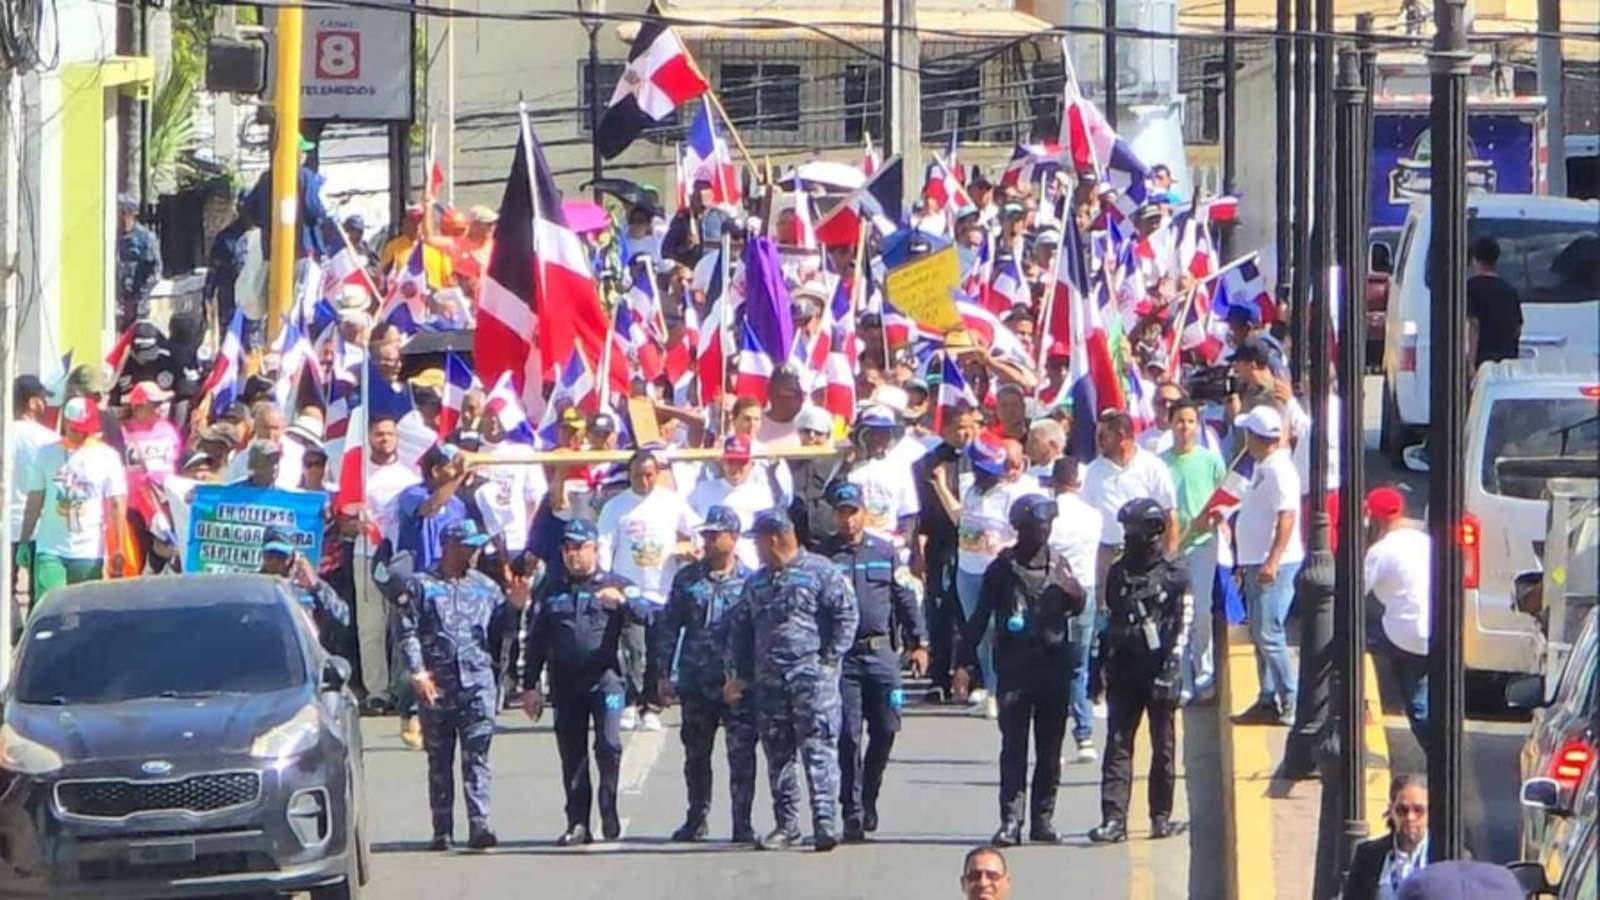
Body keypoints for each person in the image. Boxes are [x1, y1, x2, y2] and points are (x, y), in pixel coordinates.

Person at [953, 494, 1087, 846]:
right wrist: (962, 662)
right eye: (1036, 526)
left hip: (1053, 667)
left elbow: (1079, 605)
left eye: (1046, 526)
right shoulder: (1002, 568)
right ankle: (1011, 821)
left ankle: (1043, 819)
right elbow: (979, 617)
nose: (1043, 532)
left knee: (1050, 750)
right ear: (1021, 528)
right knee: (1013, 748)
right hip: (1015, 670)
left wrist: (1074, 592)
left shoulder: (1059, 564)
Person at [723, 510, 858, 852]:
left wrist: (829, 660)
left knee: (818, 749)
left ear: (773, 539)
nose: (755, 548)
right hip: (769, 683)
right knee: (778, 755)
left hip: (812, 681)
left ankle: (824, 822)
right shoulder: (756, 583)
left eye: (757, 541)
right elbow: (741, 631)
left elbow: (846, 614)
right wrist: (740, 675)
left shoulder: (821, 571)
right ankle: (787, 825)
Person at [521, 519, 653, 846]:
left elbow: (647, 614)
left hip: (607, 681)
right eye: (568, 548)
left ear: (594, 548)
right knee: (572, 754)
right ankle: (578, 822)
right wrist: (529, 686)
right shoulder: (550, 589)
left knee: (609, 743)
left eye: (580, 547)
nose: (573, 554)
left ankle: (608, 804)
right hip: (566, 683)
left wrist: (622, 602)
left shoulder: (617, 584)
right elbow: (536, 640)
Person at [398, 520, 524, 851]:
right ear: (449, 546)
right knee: (439, 759)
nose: (474, 553)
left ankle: (480, 825)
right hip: (438, 684)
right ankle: (442, 829)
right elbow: (408, 632)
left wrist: (516, 608)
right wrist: (418, 672)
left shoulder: (486, 587)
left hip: (477, 682)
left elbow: (504, 632)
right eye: (468, 547)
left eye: (476, 547)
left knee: (477, 754)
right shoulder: (421, 585)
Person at [820, 483, 928, 841]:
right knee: (848, 735)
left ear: (864, 513)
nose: (847, 520)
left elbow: (905, 596)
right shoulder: (823, 556)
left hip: (881, 654)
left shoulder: (884, 552)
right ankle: (852, 809)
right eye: (841, 513)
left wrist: (919, 642)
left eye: (853, 512)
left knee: (886, 728)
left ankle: (869, 793)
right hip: (843, 657)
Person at [650, 506, 759, 844]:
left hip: (736, 683)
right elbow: (669, 627)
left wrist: (749, 676)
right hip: (697, 679)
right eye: (706, 535)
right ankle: (696, 817)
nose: (708, 541)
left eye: (715, 535)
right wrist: (663, 674)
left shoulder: (752, 581)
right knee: (696, 755)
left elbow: (760, 633)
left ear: (733, 537)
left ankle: (742, 822)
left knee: (741, 756)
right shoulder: (688, 579)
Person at [1088, 499, 1191, 844]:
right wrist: (1098, 669)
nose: (1128, 536)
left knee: (1163, 746)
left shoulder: (1175, 572)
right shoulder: (1118, 571)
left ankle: (1160, 816)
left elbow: (1184, 623)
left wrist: (1172, 668)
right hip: (1124, 669)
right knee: (1117, 745)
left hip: (1160, 669)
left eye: (1134, 530)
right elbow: (1109, 621)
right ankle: (1113, 819)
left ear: (1154, 531)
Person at [596, 448, 702, 732]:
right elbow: (604, 547)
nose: (644, 481)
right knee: (634, 651)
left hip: (663, 590)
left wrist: (692, 549)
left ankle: (651, 706)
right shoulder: (616, 506)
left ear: (657, 474)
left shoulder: (671, 501)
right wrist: (608, 583)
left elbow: (698, 529)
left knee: (659, 653)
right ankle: (630, 702)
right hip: (630, 591)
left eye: (649, 475)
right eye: (637, 476)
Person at [952, 439, 1042, 719]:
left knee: (999, 632)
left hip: (995, 572)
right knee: (979, 635)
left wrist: (1001, 544)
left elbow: (1019, 536)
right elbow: (960, 520)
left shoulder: (1010, 495)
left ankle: (1003, 691)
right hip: (967, 569)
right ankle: (990, 690)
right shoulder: (969, 490)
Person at [1230, 406, 1305, 726]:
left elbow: (1287, 516)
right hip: (1255, 561)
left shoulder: (1278, 470)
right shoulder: (1264, 466)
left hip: (1273, 564)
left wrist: (1273, 559)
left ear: (1256, 437)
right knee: (1259, 634)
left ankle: (1290, 698)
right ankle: (1267, 697)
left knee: (1269, 633)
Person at [17, 397, 129, 591]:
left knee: (83, 607)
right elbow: (35, 499)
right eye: (75, 429)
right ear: (66, 423)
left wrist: (118, 548)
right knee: (50, 603)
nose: (80, 434)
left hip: (89, 551)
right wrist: (25, 540)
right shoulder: (46, 453)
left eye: (85, 429)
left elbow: (117, 503)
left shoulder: (108, 457)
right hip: (51, 548)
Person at [914, 402, 982, 702]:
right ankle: (938, 677)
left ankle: (974, 675)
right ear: (944, 429)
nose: (965, 433)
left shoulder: (981, 460)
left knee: (971, 612)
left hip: (974, 546)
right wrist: (917, 550)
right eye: (959, 428)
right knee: (940, 609)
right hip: (941, 545)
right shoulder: (927, 463)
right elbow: (918, 513)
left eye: (970, 427)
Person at [1161, 398, 1227, 703]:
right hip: (1172, 549)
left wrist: (1217, 520)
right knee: (1176, 612)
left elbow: (1225, 500)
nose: (1184, 427)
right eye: (1179, 421)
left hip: (1203, 545)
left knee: (1200, 610)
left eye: (1190, 421)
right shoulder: (1161, 463)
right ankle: (1182, 676)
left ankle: (1204, 672)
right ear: (1170, 423)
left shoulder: (1211, 461)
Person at [1363, 486, 1431, 749]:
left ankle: (1435, 751)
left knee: (1417, 704)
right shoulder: (1426, 541)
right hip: (1438, 628)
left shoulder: (1380, 551)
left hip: (1405, 634)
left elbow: (1357, 590)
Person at [1047, 454, 1103, 762]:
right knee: (1078, 667)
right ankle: (1084, 736)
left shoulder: (1047, 515)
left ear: (1054, 482)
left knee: (1051, 667)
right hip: (1085, 590)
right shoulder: (1093, 516)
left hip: (1052, 592)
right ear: (1078, 483)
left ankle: (1053, 743)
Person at [1341, 774, 1439, 900]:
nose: (1410, 817)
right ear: (1391, 811)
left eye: (1418, 810)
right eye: (1402, 810)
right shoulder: (1368, 856)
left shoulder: (1444, 857)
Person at [8, 375, 57, 623]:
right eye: (42, 399)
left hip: (7, 525)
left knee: (5, 589)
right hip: (39, 525)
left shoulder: (5, 434)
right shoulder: (48, 439)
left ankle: (11, 631)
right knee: (39, 591)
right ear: (32, 402)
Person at [259, 525, 350, 655]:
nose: (275, 561)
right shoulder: (254, 586)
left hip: (306, 656)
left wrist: (315, 587)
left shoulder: (311, 585)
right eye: (270, 555)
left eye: (281, 555)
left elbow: (343, 619)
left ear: (293, 556)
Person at [845, 407, 921, 547]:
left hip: (888, 543)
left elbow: (909, 512)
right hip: (854, 543)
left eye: (884, 433)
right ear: (862, 435)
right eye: (872, 433)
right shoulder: (848, 467)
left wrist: (903, 539)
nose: (878, 438)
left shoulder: (899, 467)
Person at [1465, 236, 1523, 369]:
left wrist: (1470, 363)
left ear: (1475, 260)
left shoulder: (1470, 288)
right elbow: (1517, 327)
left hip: (1482, 361)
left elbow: (1473, 325)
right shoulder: (1510, 291)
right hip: (1506, 362)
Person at [116, 194, 162, 332]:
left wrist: (140, 299)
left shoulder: (145, 238)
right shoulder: (111, 237)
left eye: (121, 212)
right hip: (117, 305)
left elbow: (155, 272)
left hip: (137, 305)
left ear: (129, 214)